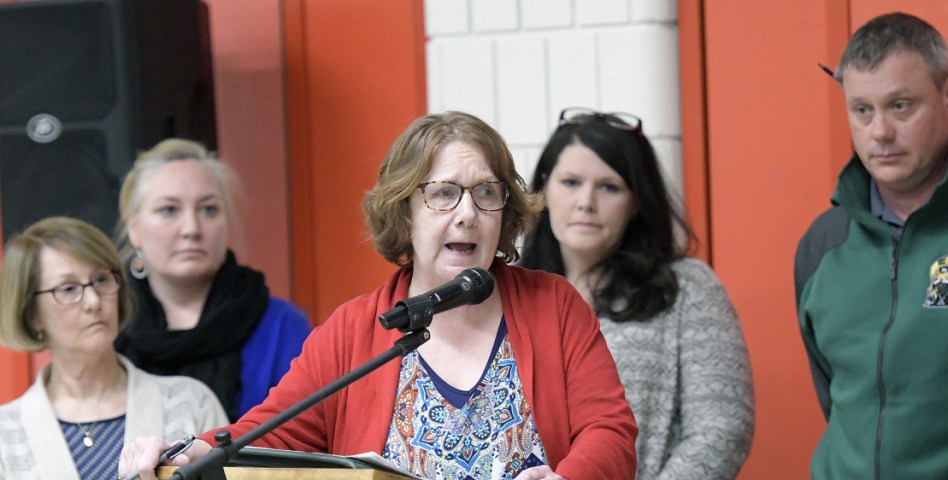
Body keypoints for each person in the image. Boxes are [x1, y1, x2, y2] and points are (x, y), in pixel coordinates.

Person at [119, 111, 638, 480]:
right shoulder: (354, 330)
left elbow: (610, 429)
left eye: (486, 193)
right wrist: (189, 453)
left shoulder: (552, 303)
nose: (467, 213)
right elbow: (266, 433)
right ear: (403, 212)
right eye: (442, 193)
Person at [795, 12, 948, 479]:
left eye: (900, 106)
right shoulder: (822, 246)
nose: (880, 132)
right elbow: (835, 397)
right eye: (862, 110)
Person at [520, 107, 755, 479]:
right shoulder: (511, 292)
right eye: (570, 183)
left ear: (635, 202)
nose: (586, 202)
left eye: (609, 187)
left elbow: (721, 429)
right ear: (544, 188)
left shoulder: (686, 288)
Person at [0, 216, 227, 479]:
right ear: (32, 314)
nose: (94, 301)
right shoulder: (5, 435)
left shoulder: (190, 402)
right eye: (68, 288)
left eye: (101, 280)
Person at [113, 139, 311, 421]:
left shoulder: (280, 326)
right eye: (169, 210)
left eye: (208, 210)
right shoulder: (109, 325)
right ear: (134, 229)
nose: (191, 228)